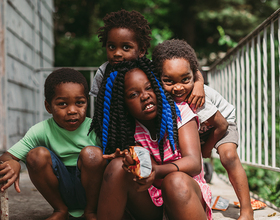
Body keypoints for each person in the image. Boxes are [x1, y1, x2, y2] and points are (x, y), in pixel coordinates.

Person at [88, 57, 212, 220]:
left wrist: (158, 170)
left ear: (158, 88)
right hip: (151, 201)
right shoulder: (128, 129)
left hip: (184, 196)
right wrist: (130, 162)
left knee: (173, 181)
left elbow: (194, 163)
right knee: (117, 167)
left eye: (149, 88)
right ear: (123, 105)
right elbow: (142, 168)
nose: (145, 96)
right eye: (133, 94)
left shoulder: (180, 113)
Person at [152, 39, 254, 220]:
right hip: (197, 127)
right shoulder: (162, 96)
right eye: (169, 81)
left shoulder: (196, 99)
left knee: (228, 156)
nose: (178, 87)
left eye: (186, 80)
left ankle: (247, 210)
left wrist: (207, 148)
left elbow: (221, 125)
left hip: (221, 122)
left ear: (194, 75)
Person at [0, 68, 106, 220]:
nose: (72, 110)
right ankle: (60, 210)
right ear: (48, 107)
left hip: (92, 190)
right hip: (61, 189)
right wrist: (12, 162)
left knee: (92, 154)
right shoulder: (41, 129)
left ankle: (91, 211)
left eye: (79, 103)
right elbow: (6, 157)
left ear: (87, 103)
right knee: (36, 155)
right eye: (62, 104)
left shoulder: (96, 127)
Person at [89, 9, 205, 109]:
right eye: (112, 47)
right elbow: (100, 105)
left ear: (142, 51)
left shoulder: (149, 68)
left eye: (126, 47)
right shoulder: (103, 72)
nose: (117, 53)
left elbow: (185, 72)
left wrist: (199, 84)